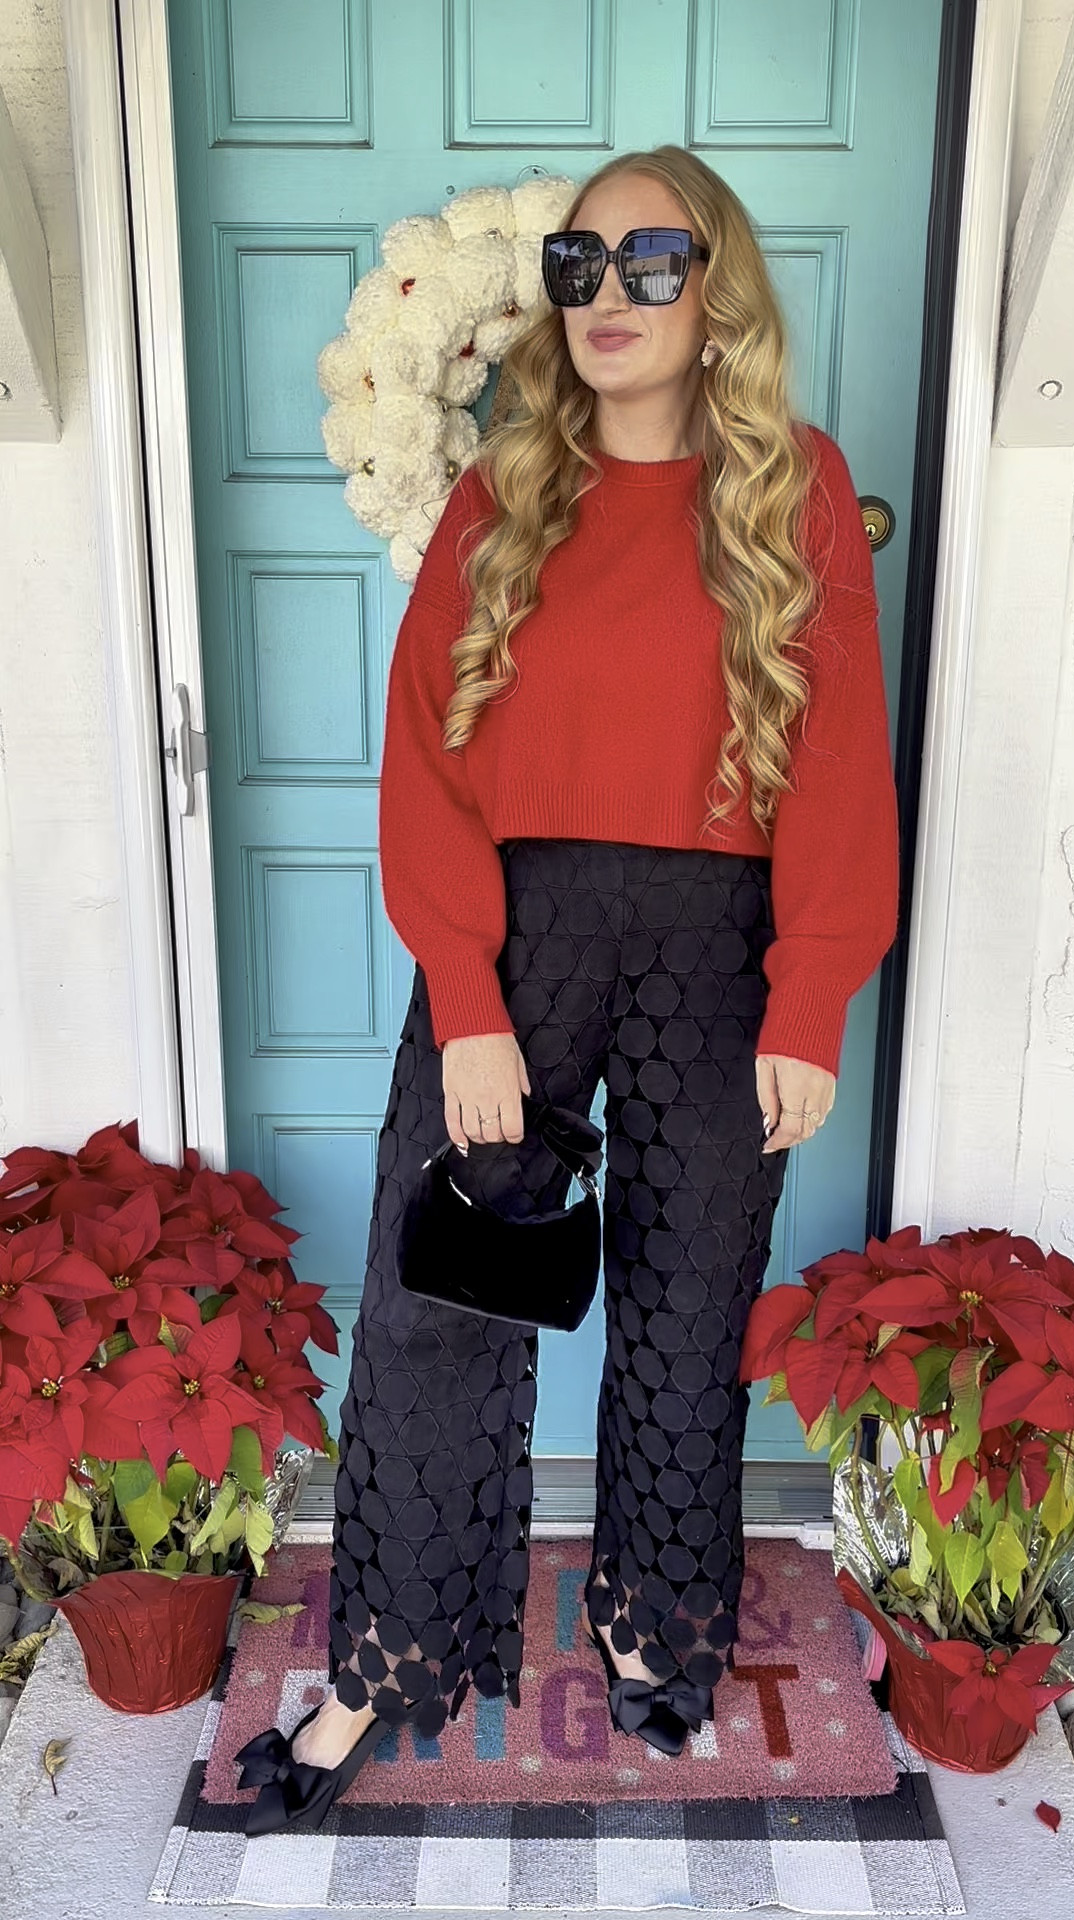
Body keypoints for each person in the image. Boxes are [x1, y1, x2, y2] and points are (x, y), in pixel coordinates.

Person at [234, 142, 900, 1834]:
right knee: (440, 1308)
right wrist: (465, 995)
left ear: (715, 291)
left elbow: (838, 752)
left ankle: (654, 1621)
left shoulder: (800, 487)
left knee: (687, 1305)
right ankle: (388, 1660)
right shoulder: (505, 489)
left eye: (652, 261)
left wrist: (813, 997)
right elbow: (424, 750)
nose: (611, 295)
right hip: (517, 938)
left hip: (719, 949)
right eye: (581, 266)